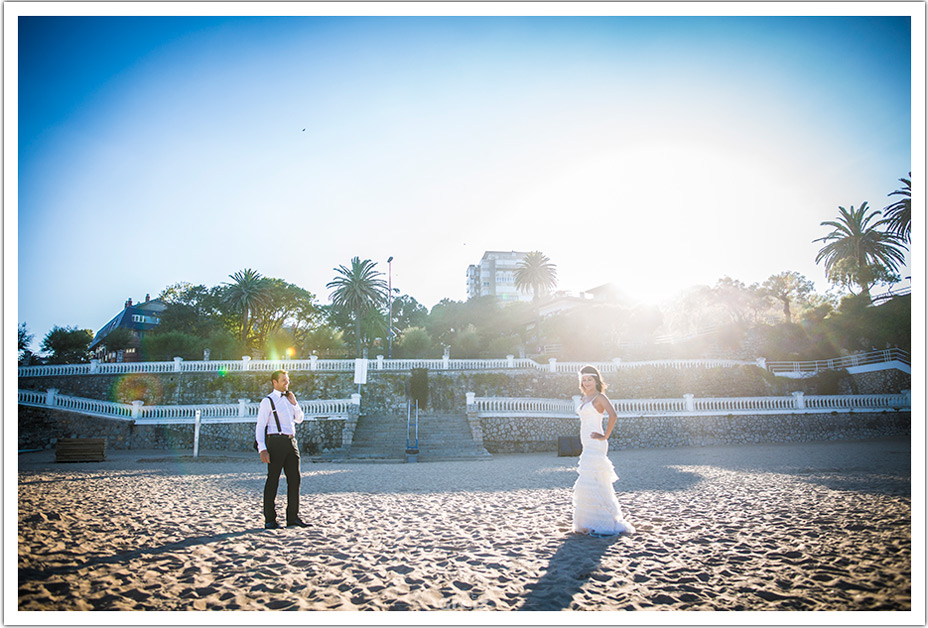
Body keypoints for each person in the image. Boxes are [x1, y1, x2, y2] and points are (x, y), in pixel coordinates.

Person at [573, 365, 635, 536]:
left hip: (596, 442)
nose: (586, 383)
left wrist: (605, 435)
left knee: (596, 478)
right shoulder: (585, 398)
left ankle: (603, 520)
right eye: (584, 380)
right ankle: (587, 521)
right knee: (588, 478)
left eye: (589, 380)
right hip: (586, 443)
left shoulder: (600, 397)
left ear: (596, 381)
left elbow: (613, 415)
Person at [256, 370, 309, 529]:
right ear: (275, 382)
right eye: (284, 381)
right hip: (276, 442)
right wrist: (262, 448)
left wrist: (295, 403)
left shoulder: (289, 399)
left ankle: (293, 517)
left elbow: (299, 419)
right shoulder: (268, 401)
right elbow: (260, 426)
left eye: (288, 380)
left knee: (295, 479)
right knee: (273, 480)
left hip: (291, 442)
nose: (287, 383)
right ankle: (270, 519)